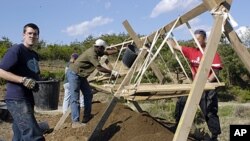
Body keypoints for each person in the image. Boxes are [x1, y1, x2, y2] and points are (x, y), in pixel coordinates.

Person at [167, 29, 222, 141]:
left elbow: (216, 71)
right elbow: (174, 46)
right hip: (195, 85)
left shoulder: (211, 52)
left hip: (207, 87)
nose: (195, 41)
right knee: (181, 102)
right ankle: (178, 126)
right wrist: (167, 36)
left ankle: (215, 136)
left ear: (204, 39)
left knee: (209, 111)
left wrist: (207, 82)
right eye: (194, 39)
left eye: (198, 39)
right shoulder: (191, 51)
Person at [0, 23, 45, 141]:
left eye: (35, 34)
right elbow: (1, 71)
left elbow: (35, 75)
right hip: (17, 99)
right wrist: (22, 80)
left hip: (29, 98)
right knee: (33, 135)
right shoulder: (17, 50)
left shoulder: (34, 55)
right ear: (23, 35)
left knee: (20, 135)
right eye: (29, 33)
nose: (32, 36)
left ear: (38, 37)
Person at [67, 39, 119, 128]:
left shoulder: (97, 50)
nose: (103, 51)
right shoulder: (92, 53)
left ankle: (86, 117)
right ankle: (75, 122)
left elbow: (106, 53)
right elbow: (99, 68)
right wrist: (112, 72)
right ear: (99, 47)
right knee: (75, 98)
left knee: (88, 94)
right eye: (102, 49)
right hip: (74, 74)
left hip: (81, 75)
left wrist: (116, 50)